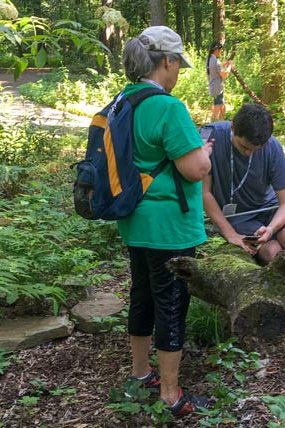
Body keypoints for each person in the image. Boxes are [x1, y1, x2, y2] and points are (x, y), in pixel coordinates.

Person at [118, 25, 212, 418]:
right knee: (171, 303)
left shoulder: (123, 101)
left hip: (134, 220)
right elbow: (193, 169)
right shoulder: (169, 107)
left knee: (142, 294)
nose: (178, 73)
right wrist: (204, 151)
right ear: (167, 61)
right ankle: (171, 395)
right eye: (177, 65)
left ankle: (141, 375)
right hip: (169, 226)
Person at [201, 103, 285, 332]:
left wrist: (271, 229)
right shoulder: (211, 136)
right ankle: (280, 299)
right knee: (272, 253)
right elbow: (205, 194)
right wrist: (230, 234)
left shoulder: (272, 148)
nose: (249, 152)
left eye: (255, 149)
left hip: (270, 209)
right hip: (239, 217)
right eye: (244, 147)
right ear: (233, 127)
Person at [206, 41, 232, 122]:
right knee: (216, 111)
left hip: (213, 87)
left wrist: (225, 65)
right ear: (216, 50)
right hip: (217, 88)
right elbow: (224, 75)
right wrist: (230, 67)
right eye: (221, 51)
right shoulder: (216, 61)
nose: (221, 53)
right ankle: (212, 127)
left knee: (222, 106)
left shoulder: (209, 59)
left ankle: (222, 122)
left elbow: (216, 69)